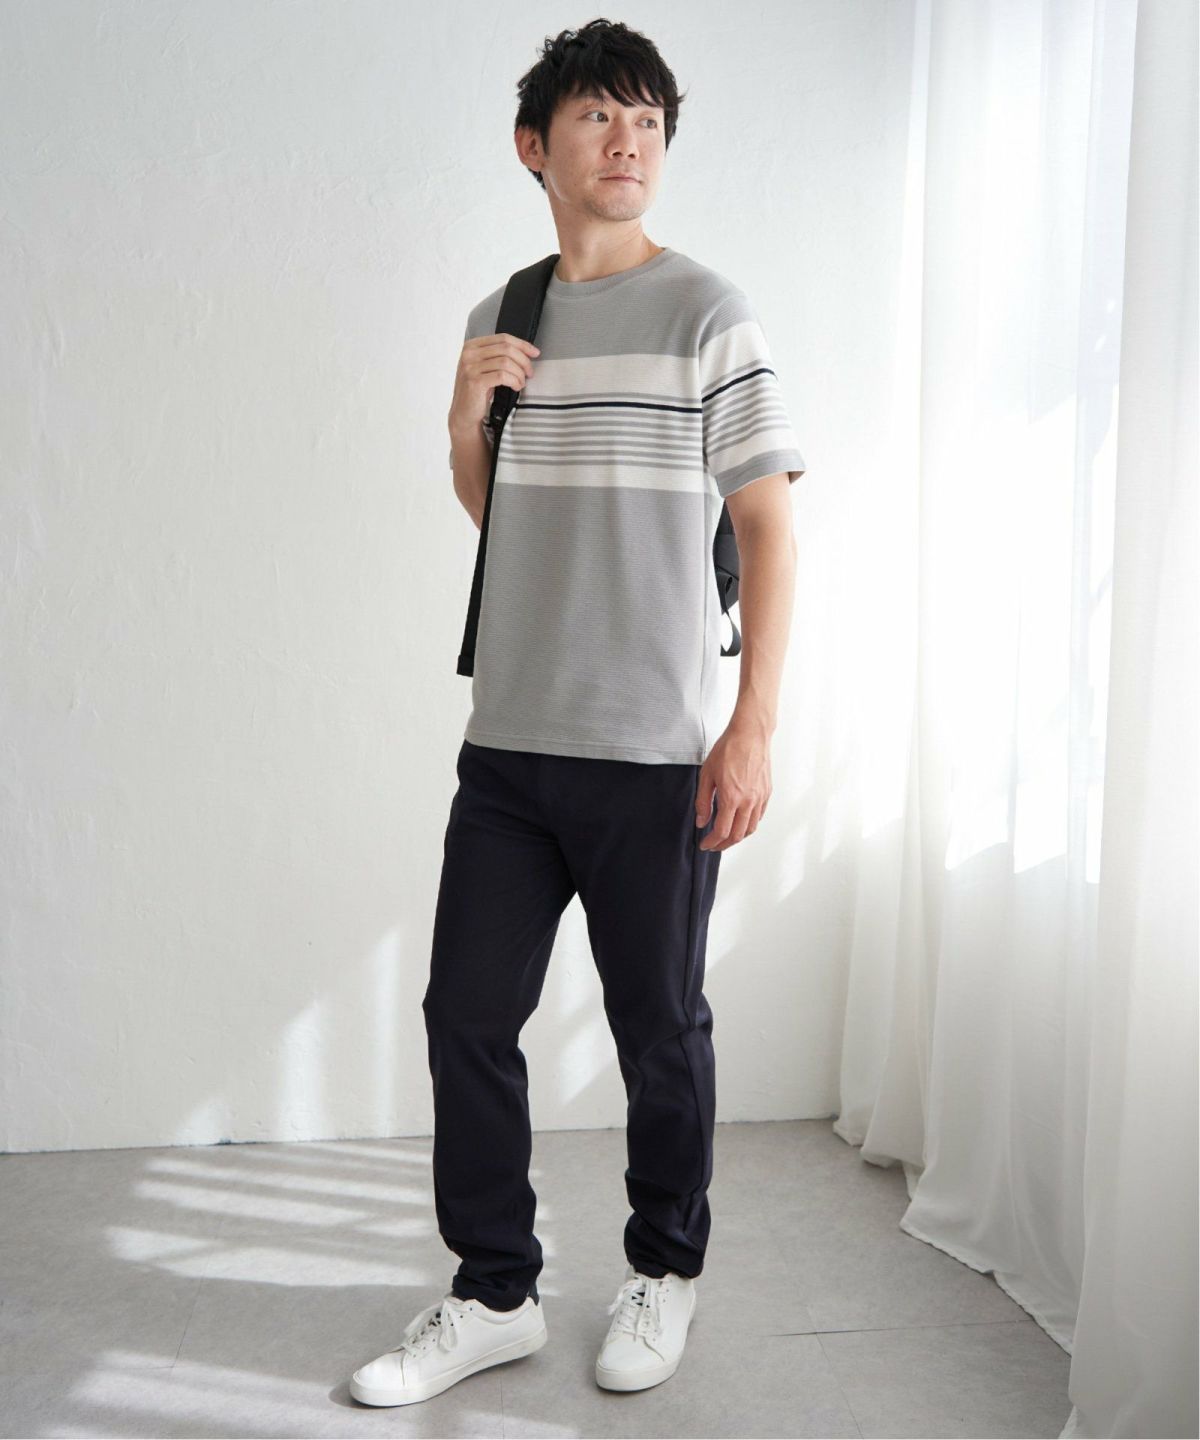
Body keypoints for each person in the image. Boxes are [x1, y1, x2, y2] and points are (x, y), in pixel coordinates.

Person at [350, 16, 805, 1409]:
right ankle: (495, 1291)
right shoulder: (504, 315)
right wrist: (461, 424)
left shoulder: (709, 313)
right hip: (509, 748)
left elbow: (769, 528)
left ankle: (664, 1271)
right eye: (601, 116)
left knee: (658, 1028)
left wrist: (752, 726)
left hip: (653, 750)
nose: (628, 141)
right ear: (532, 146)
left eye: (648, 121)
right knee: (465, 1017)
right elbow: (509, 524)